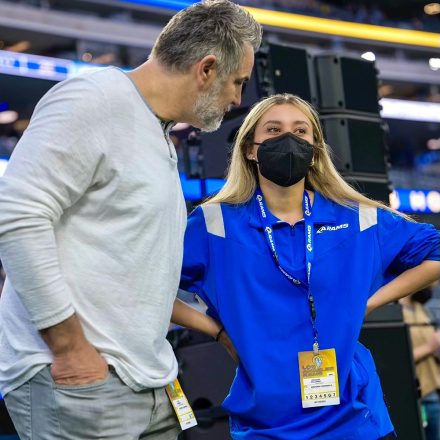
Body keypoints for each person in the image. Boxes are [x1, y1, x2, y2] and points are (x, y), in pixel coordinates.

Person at [0, 1, 262, 439]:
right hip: (82, 381)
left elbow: (138, 277)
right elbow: (18, 216)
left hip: (149, 380)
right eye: (238, 82)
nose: (238, 99)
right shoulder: (95, 99)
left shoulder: (157, 133)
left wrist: (217, 332)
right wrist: (69, 347)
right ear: (207, 69)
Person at [179, 93, 440, 439]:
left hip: (354, 420)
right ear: (250, 149)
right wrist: (217, 332)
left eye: (301, 131)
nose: (288, 139)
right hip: (266, 425)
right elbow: (145, 285)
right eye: (274, 130)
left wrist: (367, 303)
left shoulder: (357, 218)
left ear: (315, 149)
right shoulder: (215, 225)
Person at [400, 285, 440, 440]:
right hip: (410, 397)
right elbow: (396, 357)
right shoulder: (393, 312)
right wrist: (430, 347)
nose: (433, 285)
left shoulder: (421, 309)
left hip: (432, 394)